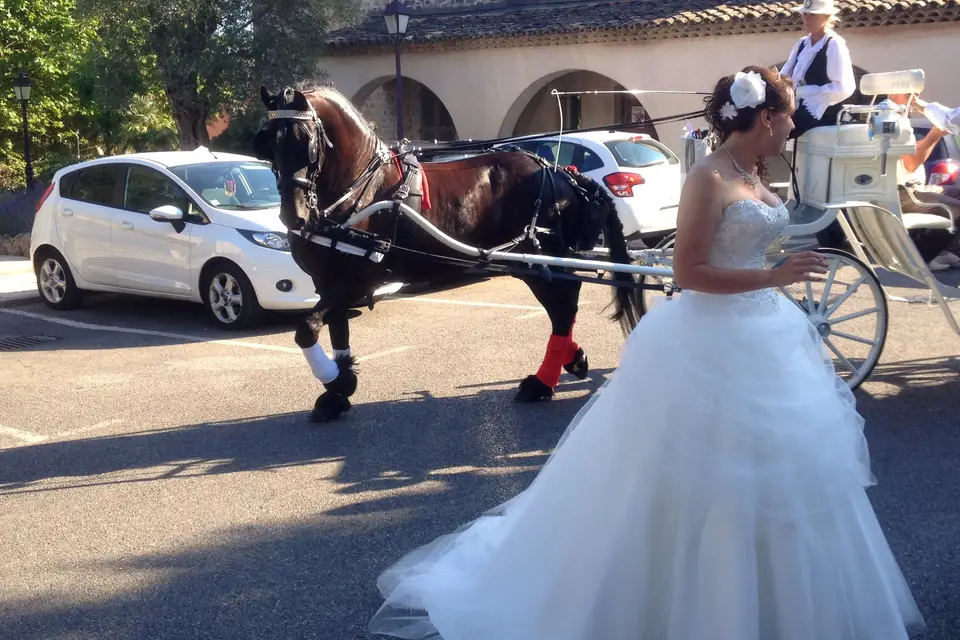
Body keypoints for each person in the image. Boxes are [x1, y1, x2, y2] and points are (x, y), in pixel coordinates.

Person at [367, 66, 926, 640]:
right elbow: (689, 272)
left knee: (784, 480)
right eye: (786, 118)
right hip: (710, 343)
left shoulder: (753, 171)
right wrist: (772, 276)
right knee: (696, 482)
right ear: (766, 118)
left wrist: (774, 275)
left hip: (767, 335)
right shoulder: (708, 177)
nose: (790, 129)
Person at [889, 93, 960, 270]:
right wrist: (934, 135)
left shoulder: (900, 117)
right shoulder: (893, 120)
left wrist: (926, 111)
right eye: (910, 92)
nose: (916, 96)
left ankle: (946, 251)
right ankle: (922, 258)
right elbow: (911, 163)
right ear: (893, 93)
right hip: (904, 191)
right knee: (957, 210)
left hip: (914, 186)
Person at [780, 0, 856, 139]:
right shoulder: (802, 43)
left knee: (776, 129)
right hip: (798, 108)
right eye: (805, 14)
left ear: (826, 17)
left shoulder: (834, 44)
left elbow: (844, 87)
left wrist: (807, 92)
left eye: (813, 15)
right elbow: (785, 75)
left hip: (823, 113)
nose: (807, 19)